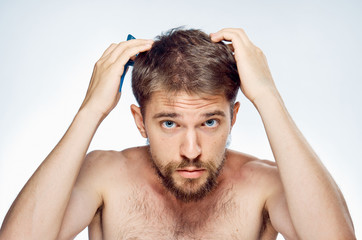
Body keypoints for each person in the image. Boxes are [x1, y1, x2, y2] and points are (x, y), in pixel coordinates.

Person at [0, 28, 356, 240]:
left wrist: (267, 96)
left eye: (210, 122)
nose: (191, 150)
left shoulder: (263, 186)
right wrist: (90, 110)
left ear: (233, 116)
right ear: (141, 121)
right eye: (169, 123)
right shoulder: (105, 177)